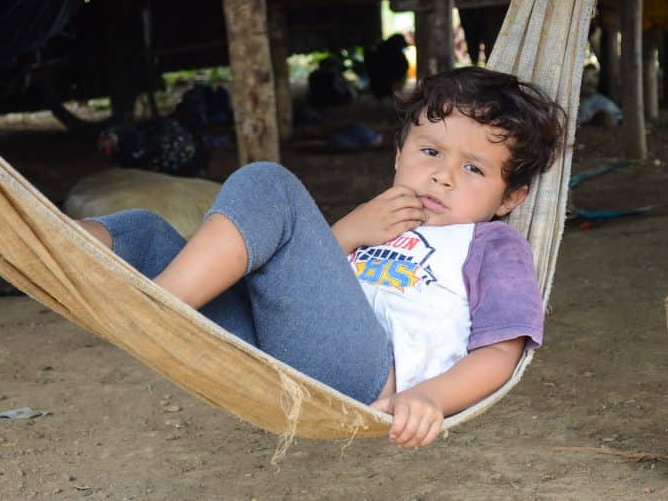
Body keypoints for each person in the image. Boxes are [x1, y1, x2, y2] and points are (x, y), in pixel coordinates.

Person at [77, 66, 565, 449]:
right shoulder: (380, 217)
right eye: (430, 152)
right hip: (269, 345)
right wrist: (353, 230)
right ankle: (54, 247)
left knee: (271, 184)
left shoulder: (493, 246)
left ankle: (158, 306)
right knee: (142, 230)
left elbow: (502, 352)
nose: (443, 176)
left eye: (474, 168)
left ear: (509, 199)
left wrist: (429, 397)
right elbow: (296, 286)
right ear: (399, 155)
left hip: (365, 377)